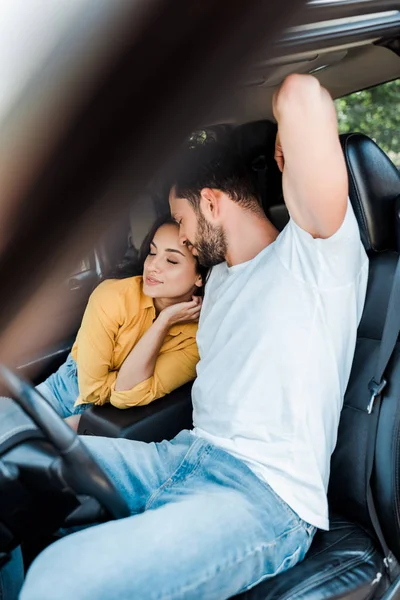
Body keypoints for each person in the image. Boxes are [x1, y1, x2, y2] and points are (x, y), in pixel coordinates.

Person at [17, 74, 368, 599]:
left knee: (60, 580)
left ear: (211, 202)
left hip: (262, 495)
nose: (177, 235)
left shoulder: (316, 255)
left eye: (180, 220)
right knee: (12, 454)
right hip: (178, 457)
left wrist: (283, 143)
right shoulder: (220, 280)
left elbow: (301, 93)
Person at [36, 215, 206, 425]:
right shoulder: (112, 296)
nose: (152, 265)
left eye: (171, 260)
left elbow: (127, 395)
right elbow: (92, 391)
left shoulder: (196, 339)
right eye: (152, 252)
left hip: (111, 421)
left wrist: (164, 322)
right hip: (61, 392)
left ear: (200, 276)